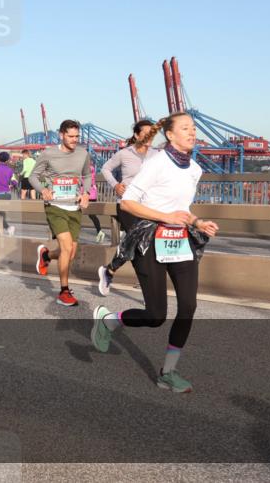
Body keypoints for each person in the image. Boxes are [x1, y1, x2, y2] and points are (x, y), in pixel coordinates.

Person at [91, 112, 219, 393]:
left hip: (179, 240)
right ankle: (108, 321)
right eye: (185, 128)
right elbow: (127, 203)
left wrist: (197, 222)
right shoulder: (156, 163)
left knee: (188, 307)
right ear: (170, 135)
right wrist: (165, 216)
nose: (192, 132)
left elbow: (181, 210)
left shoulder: (195, 169)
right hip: (148, 239)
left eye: (194, 128)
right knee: (156, 315)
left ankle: (168, 373)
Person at [30, 120, 91, 307]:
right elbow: (33, 176)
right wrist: (43, 190)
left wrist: (86, 193)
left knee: (70, 252)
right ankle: (64, 291)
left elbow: (87, 175)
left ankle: (47, 256)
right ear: (61, 135)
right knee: (66, 248)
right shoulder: (48, 153)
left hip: (74, 207)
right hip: (55, 206)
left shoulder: (83, 153)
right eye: (71, 136)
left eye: (77, 137)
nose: (74, 140)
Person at [96, 120, 162, 296]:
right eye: (146, 133)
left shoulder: (158, 154)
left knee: (141, 246)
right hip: (127, 205)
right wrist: (115, 185)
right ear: (137, 135)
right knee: (139, 244)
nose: (149, 137)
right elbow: (105, 168)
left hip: (149, 206)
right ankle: (146, 284)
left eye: (152, 133)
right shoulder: (124, 154)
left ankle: (109, 270)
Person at [0, 151, 17, 235]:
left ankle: (2, 229)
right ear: (7, 160)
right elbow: (15, 182)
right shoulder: (10, 170)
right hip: (6, 194)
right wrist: (10, 185)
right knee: (0, 213)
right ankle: (7, 228)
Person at [86, 161, 106, 244]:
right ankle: (99, 231)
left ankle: (100, 231)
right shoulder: (91, 168)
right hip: (92, 194)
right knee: (92, 215)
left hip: (87, 194)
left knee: (79, 212)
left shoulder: (87, 169)